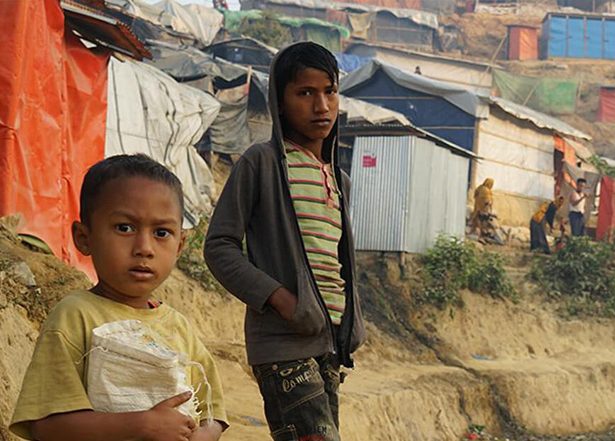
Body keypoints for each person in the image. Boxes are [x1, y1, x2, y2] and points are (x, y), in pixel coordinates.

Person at [204, 42, 366, 441]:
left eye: (329, 91)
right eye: (305, 93)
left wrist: (350, 324)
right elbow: (219, 246)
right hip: (281, 345)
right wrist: (280, 299)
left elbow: (335, 262)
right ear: (279, 102)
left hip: (328, 345)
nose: (321, 105)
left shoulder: (339, 181)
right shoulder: (261, 164)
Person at [9, 155, 228, 441]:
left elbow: (214, 415)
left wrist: (203, 435)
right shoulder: (76, 316)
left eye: (162, 232)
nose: (144, 248)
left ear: (180, 245)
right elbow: (46, 426)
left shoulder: (179, 327)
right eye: (125, 228)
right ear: (83, 237)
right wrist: (142, 425)